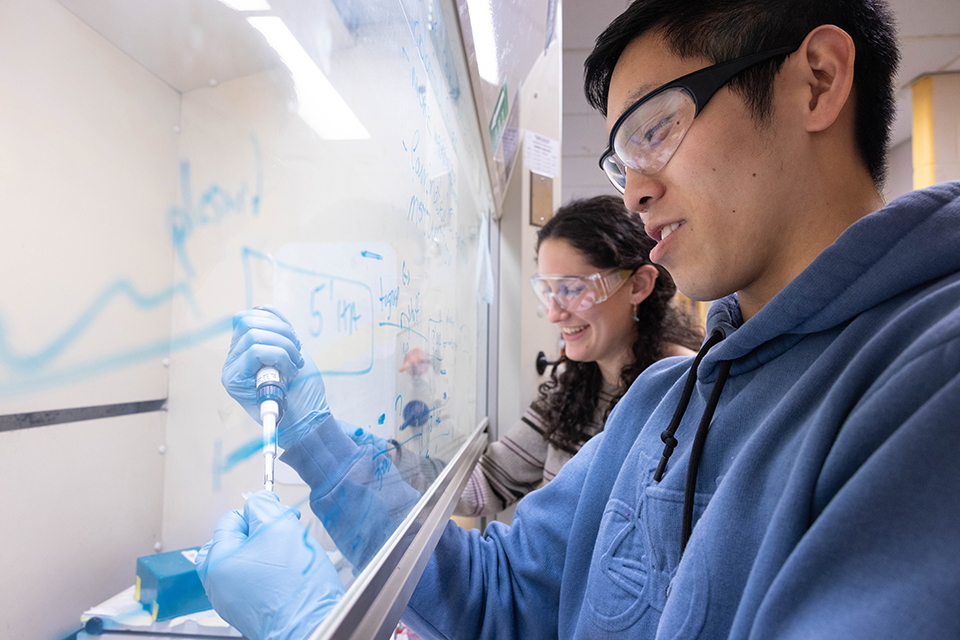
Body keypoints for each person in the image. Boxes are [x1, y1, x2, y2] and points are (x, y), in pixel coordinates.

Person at [196, 0, 960, 638]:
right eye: (620, 162)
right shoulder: (664, 405)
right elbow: (493, 593)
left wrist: (310, 625)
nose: (635, 194)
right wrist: (311, 438)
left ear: (817, 82)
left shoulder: (928, 381)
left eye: (656, 130)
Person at [456, 195, 701, 518]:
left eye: (572, 289)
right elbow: (485, 485)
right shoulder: (572, 384)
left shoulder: (688, 394)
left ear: (638, 285)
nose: (555, 314)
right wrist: (380, 467)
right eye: (548, 291)